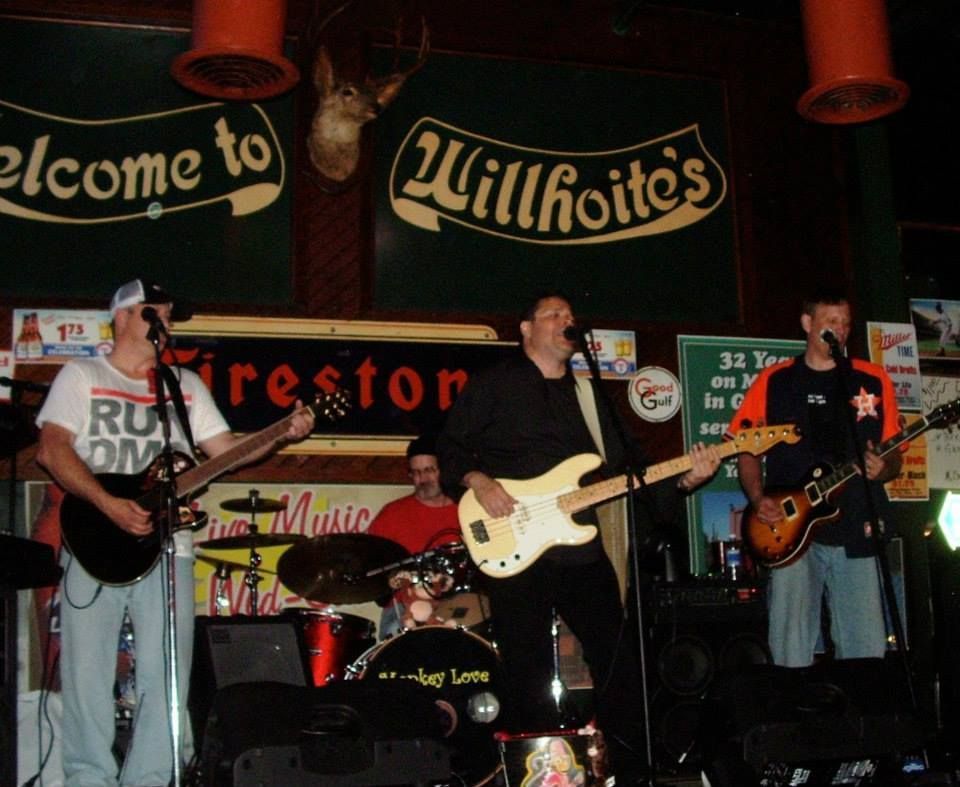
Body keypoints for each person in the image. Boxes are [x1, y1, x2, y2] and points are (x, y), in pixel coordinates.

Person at [35, 278, 315, 787]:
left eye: (167, 310)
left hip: (168, 546)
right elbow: (52, 450)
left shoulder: (183, 385)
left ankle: (151, 777)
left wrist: (280, 432)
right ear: (122, 315)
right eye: (152, 309)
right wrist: (109, 504)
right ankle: (87, 779)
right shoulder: (82, 375)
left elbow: (225, 450)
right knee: (87, 673)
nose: (163, 316)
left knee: (167, 673)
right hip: (94, 538)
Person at [437, 292, 721, 784]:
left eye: (570, 316)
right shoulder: (495, 386)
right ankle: (534, 775)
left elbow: (629, 472)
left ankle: (628, 770)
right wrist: (482, 483)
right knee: (526, 666)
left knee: (617, 657)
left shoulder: (589, 398)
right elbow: (449, 448)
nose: (567, 320)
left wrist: (684, 480)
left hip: (578, 548)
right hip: (514, 543)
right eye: (554, 314)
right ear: (525, 329)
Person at [727, 289, 903, 668]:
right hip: (790, 531)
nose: (838, 332)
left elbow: (894, 457)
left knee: (866, 645)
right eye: (830, 323)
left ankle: (859, 723)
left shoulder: (872, 380)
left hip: (856, 525)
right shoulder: (775, 381)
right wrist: (759, 500)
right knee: (791, 643)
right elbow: (746, 452)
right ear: (808, 325)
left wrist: (883, 468)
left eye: (844, 324)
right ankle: (791, 720)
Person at [366, 434, 466, 636]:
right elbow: (373, 571)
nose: (423, 479)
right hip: (404, 610)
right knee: (395, 632)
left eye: (429, 470)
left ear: (444, 471)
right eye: (416, 472)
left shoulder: (466, 511)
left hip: (458, 606)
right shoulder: (391, 515)